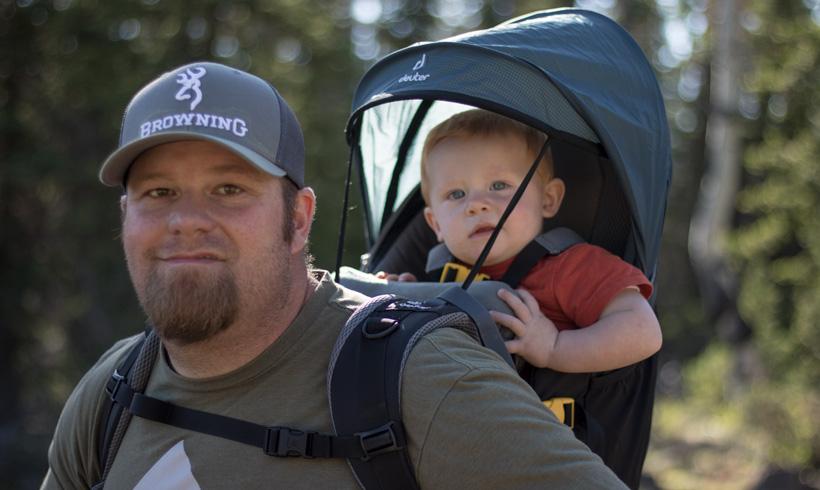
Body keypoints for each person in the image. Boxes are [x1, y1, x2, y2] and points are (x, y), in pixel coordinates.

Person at [41, 62, 628, 489]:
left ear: (298, 220)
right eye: (158, 192)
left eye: (229, 189)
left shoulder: (420, 378)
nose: (186, 220)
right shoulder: (113, 390)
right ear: (126, 217)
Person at [410, 109, 662, 374]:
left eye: (499, 186)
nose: (476, 205)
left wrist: (554, 347)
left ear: (548, 199)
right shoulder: (439, 276)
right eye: (456, 194)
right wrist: (407, 296)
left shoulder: (570, 267)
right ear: (436, 224)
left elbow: (643, 331)